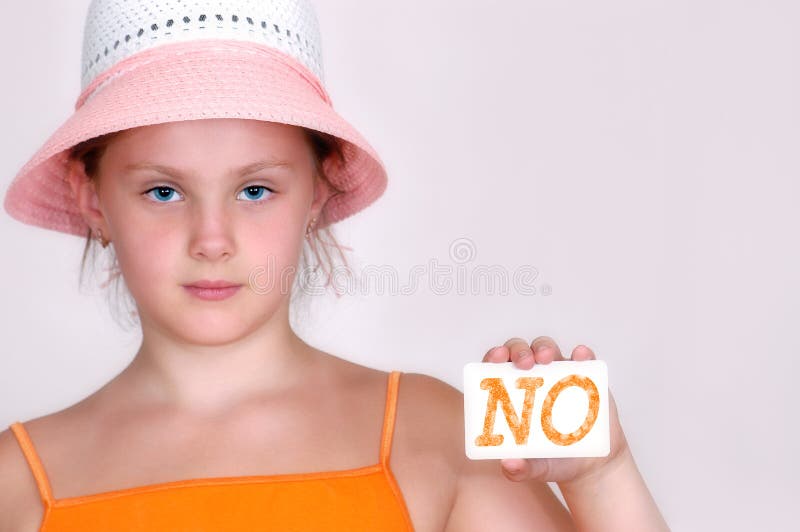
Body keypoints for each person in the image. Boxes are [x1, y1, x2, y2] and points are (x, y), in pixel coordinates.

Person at [0, 0, 669, 530]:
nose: (211, 239)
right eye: (163, 192)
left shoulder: (433, 435)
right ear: (93, 200)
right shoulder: (16, 484)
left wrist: (602, 476)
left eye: (254, 190)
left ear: (317, 194)